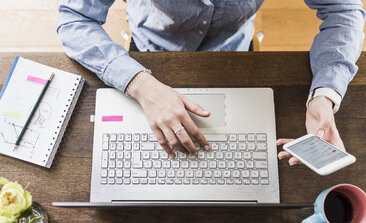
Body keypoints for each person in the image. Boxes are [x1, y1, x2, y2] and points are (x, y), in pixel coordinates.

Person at [57, 0, 365, 164]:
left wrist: (324, 94)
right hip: (150, 53)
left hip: (237, 53)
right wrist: (140, 84)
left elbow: (344, 9)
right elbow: (75, 19)